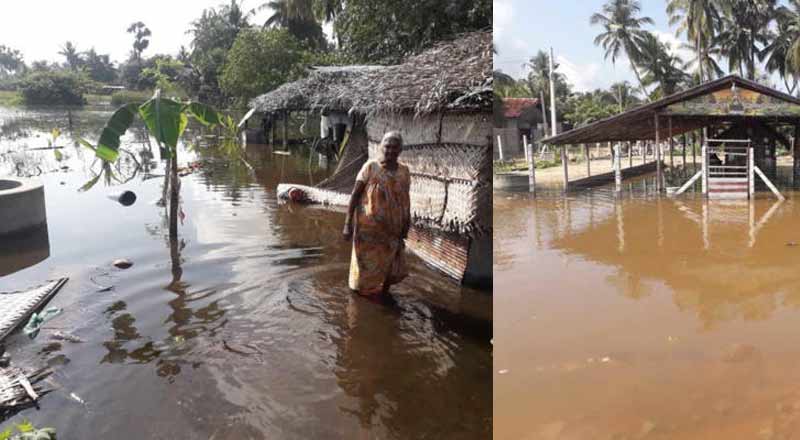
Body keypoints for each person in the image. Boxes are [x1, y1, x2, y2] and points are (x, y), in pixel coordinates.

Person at [342, 131, 411, 296]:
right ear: (381, 147)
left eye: (395, 147)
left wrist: (406, 223)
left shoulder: (404, 171)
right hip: (368, 229)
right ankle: (360, 296)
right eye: (387, 146)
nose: (390, 151)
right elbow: (355, 195)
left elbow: (405, 199)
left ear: (400, 149)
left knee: (389, 262)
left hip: (392, 229)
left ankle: (383, 294)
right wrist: (347, 224)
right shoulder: (371, 167)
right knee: (364, 264)